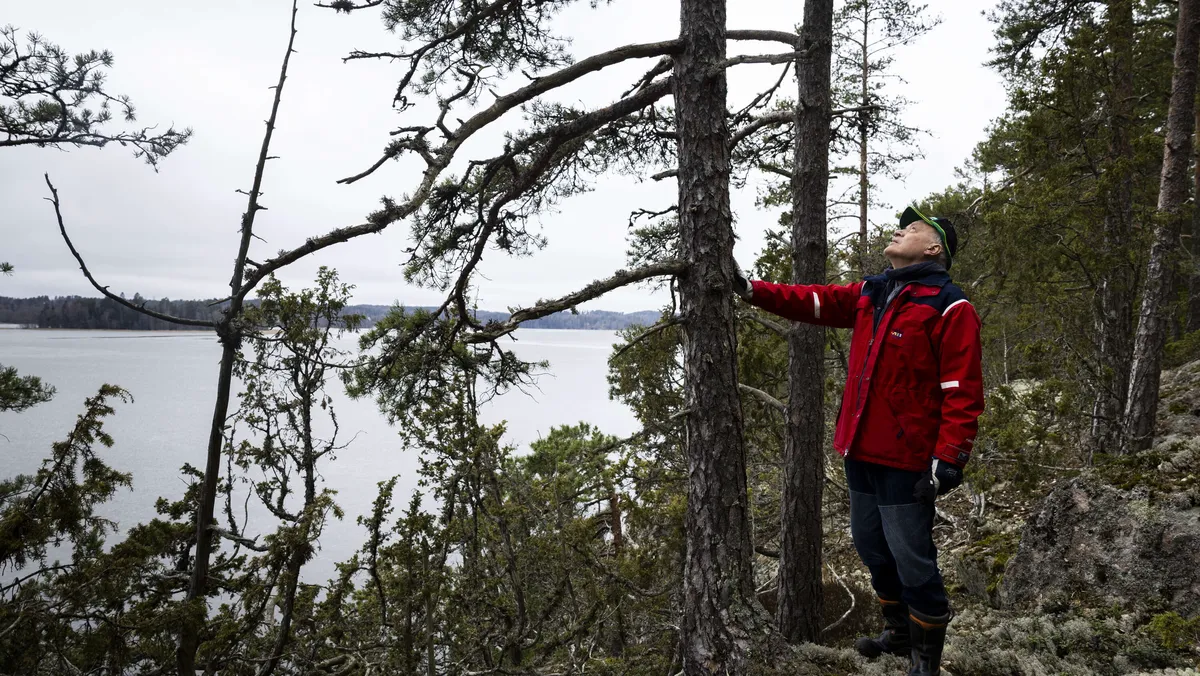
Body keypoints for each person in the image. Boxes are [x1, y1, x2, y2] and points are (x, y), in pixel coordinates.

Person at [733, 206, 984, 676]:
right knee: (871, 545)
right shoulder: (874, 291)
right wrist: (750, 289)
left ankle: (926, 660)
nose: (900, 229)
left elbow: (962, 390)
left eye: (913, 228)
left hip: (906, 459)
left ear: (934, 249)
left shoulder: (951, 306)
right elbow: (814, 301)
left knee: (911, 556)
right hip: (860, 449)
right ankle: (899, 632)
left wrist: (949, 458)